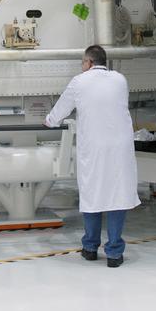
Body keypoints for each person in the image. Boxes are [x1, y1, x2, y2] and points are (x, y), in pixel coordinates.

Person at [45, 45, 140, 268]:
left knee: (92, 195)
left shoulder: (80, 81)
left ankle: (90, 248)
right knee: (117, 196)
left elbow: (61, 109)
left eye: (82, 62)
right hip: (119, 147)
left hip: (95, 147)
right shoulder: (120, 80)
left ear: (88, 62)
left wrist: (50, 121)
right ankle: (115, 253)